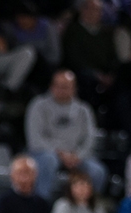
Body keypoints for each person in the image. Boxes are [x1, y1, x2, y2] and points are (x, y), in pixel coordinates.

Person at [25, 70, 106, 201]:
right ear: (51, 86)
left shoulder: (84, 110)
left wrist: (78, 155)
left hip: (76, 156)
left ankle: (88, 209)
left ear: (74, 89)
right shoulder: (38, 105)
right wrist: (60, 153)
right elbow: (35, 139)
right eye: (58, 86)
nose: (62, 90)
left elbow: (90, 138)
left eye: (66, 87)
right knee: (48, 161)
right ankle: (41, 204)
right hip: (46, 153)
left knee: (97, 171)